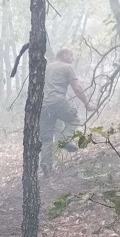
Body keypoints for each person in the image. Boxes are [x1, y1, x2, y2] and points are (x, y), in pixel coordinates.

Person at [40, 49, 95, 177]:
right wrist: (87, 104)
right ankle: (64, 140)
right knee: (74, 119)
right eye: (72, 56)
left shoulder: (46, 68)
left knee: (46, 138)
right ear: (64, 55)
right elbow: (77, 88)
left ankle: (46, 165)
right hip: (57, 101)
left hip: (43, 105)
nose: (73, 59)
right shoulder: (67, 67)